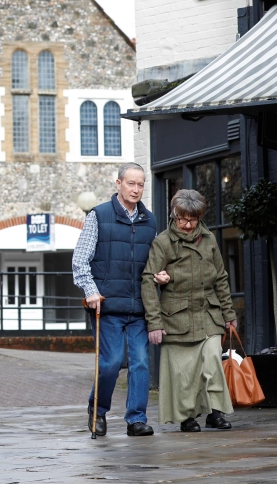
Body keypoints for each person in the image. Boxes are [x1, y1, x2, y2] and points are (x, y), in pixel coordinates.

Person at [72, 162, 158, 437]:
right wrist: (90, 290)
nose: (136, 189)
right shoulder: (99, 215)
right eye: (131, 183)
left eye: (141, 184)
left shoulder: (150, 221)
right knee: (110, 363)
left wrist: (161, 274)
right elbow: (80, 260)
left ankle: (136, 419)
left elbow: (154, 262)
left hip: (139, 307)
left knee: (140, 363)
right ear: (118, 184)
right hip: (107, 305)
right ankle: (97, 410)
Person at [142, 189, 236, 432]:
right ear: (174, 215)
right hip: (176, 318)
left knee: (213, 361)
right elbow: (148, 281)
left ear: (199, 217)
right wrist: (154, 323)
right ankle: (187, 418)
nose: (187, 224)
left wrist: (229, 314)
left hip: (208, 314)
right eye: (182, 219)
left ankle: (215, 413)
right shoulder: (163, 242)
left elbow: (221, 278)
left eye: (192, 220)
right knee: (184, 373)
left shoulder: (209, 239)